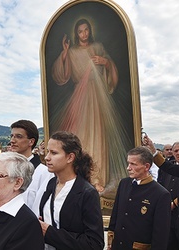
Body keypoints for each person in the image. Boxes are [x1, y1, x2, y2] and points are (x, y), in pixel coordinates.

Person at [51, 18, 130, 195]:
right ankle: (81, 175)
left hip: (98, 95)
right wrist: (64, 52)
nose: (84, 34)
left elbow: (110, 67)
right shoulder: (71, 52)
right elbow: (62, 75)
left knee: (98, 133)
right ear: (76, 33)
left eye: (86, 30)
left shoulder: (98, 47)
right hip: (80, 96)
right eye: (80, 31)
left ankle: (97, 178)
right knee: (81, 133)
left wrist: (105, 62)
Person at [39, 131, 104, 250]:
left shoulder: (87, 192)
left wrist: (49, 232)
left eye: (53, 153)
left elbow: (94, 243)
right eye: (48, 151)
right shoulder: (51, 184)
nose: (47, 157)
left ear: (70, 157)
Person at [108, 146, 171, 250]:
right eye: (128, 163)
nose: (128, 168)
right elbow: (116, 214)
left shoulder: (161, 194)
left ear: (146, 166)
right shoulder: (124, 183)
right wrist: (111, 239)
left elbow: (161, 235)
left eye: (133, 164)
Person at [10, 120, 53, 215]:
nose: (12, 141)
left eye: (18, 136)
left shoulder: (44, 172)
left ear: (31, 141)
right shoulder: (7, 169)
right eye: (12, 136)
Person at [159, 142, 179, 250]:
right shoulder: (168, 168)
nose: (178, 153)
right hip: (167, 213)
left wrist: (174, 203)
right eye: (176, 151)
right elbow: (160, 186)